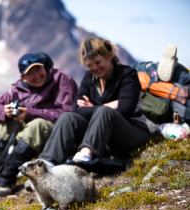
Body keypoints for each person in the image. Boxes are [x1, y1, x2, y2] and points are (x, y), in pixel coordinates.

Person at [0, 52, 78, 197]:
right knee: (3, 125)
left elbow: (68, 112)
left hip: (56, 134)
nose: (37, 75)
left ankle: (7, 179)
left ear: (45, 67)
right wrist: (4, 111)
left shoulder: (62, 80)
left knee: (36, 125)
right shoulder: (17, 89)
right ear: (23, 77)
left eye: (38, 69)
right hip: (29, 137)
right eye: (30, 73)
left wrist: (30, 112)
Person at [39, 37, 152, 174]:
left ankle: (84, 157)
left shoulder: (127, 75)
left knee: (104, 112)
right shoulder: (89, 78)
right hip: (103, 138)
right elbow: (76, 111)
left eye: (98, 62)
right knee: (67, 117)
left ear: (108, 56)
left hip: (132, 133)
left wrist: (94, 107)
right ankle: (46, 164)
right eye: (90, 65)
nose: (94, 68)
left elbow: (125, 110)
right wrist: (108, 105)